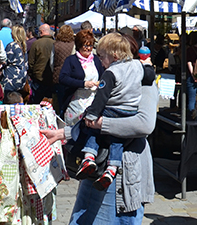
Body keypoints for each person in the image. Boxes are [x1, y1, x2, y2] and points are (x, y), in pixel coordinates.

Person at [42, 52, 158, 225]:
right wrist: (63, 134)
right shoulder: (111, 78)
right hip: (98, 167)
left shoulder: (144, 82)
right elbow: (92, 117)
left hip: (124, 172)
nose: (103, 64)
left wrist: (102, 124)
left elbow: (145, 124)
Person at [75, 33, 156, 189]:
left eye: (101, 56)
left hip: (112, 109)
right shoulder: (137, 66)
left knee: (93, 130)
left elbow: (101, 97)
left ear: (114, 56)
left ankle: (89, 157)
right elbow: (149, 77)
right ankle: (112, 169)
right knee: (117, 137)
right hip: (130, 111)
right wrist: (146, 64)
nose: (100, 61)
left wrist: (92, 115)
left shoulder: (111, 72)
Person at [60, 29, 105, 124]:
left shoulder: (96, 59)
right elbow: (63, 78)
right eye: (86, 45)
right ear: (79, 45)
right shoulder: (71, 60)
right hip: (76, 103)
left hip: (93, 101)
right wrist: (83, 84)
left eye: (91, 45)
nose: (88, 48)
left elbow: (103, 75)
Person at [28, 23, 55, 103]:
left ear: (42, 32)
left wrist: (32, 74)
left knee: (36, 103)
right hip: (51, 79)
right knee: (49, 103)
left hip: (38, 78)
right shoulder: (55, 43)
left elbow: (31, 62)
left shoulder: (36, 43)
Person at [52, 24, 77, 113]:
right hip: (71, 76)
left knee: (60, 100)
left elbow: (51, 62)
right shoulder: (74, 45)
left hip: (58, 76)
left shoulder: (55, 45)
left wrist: (54, 71)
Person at [1, 24, 29, 99]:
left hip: (11, 77)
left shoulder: (12, 46)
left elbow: (5, 60)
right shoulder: (24, 46)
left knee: (9, 98)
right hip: (22, 77)